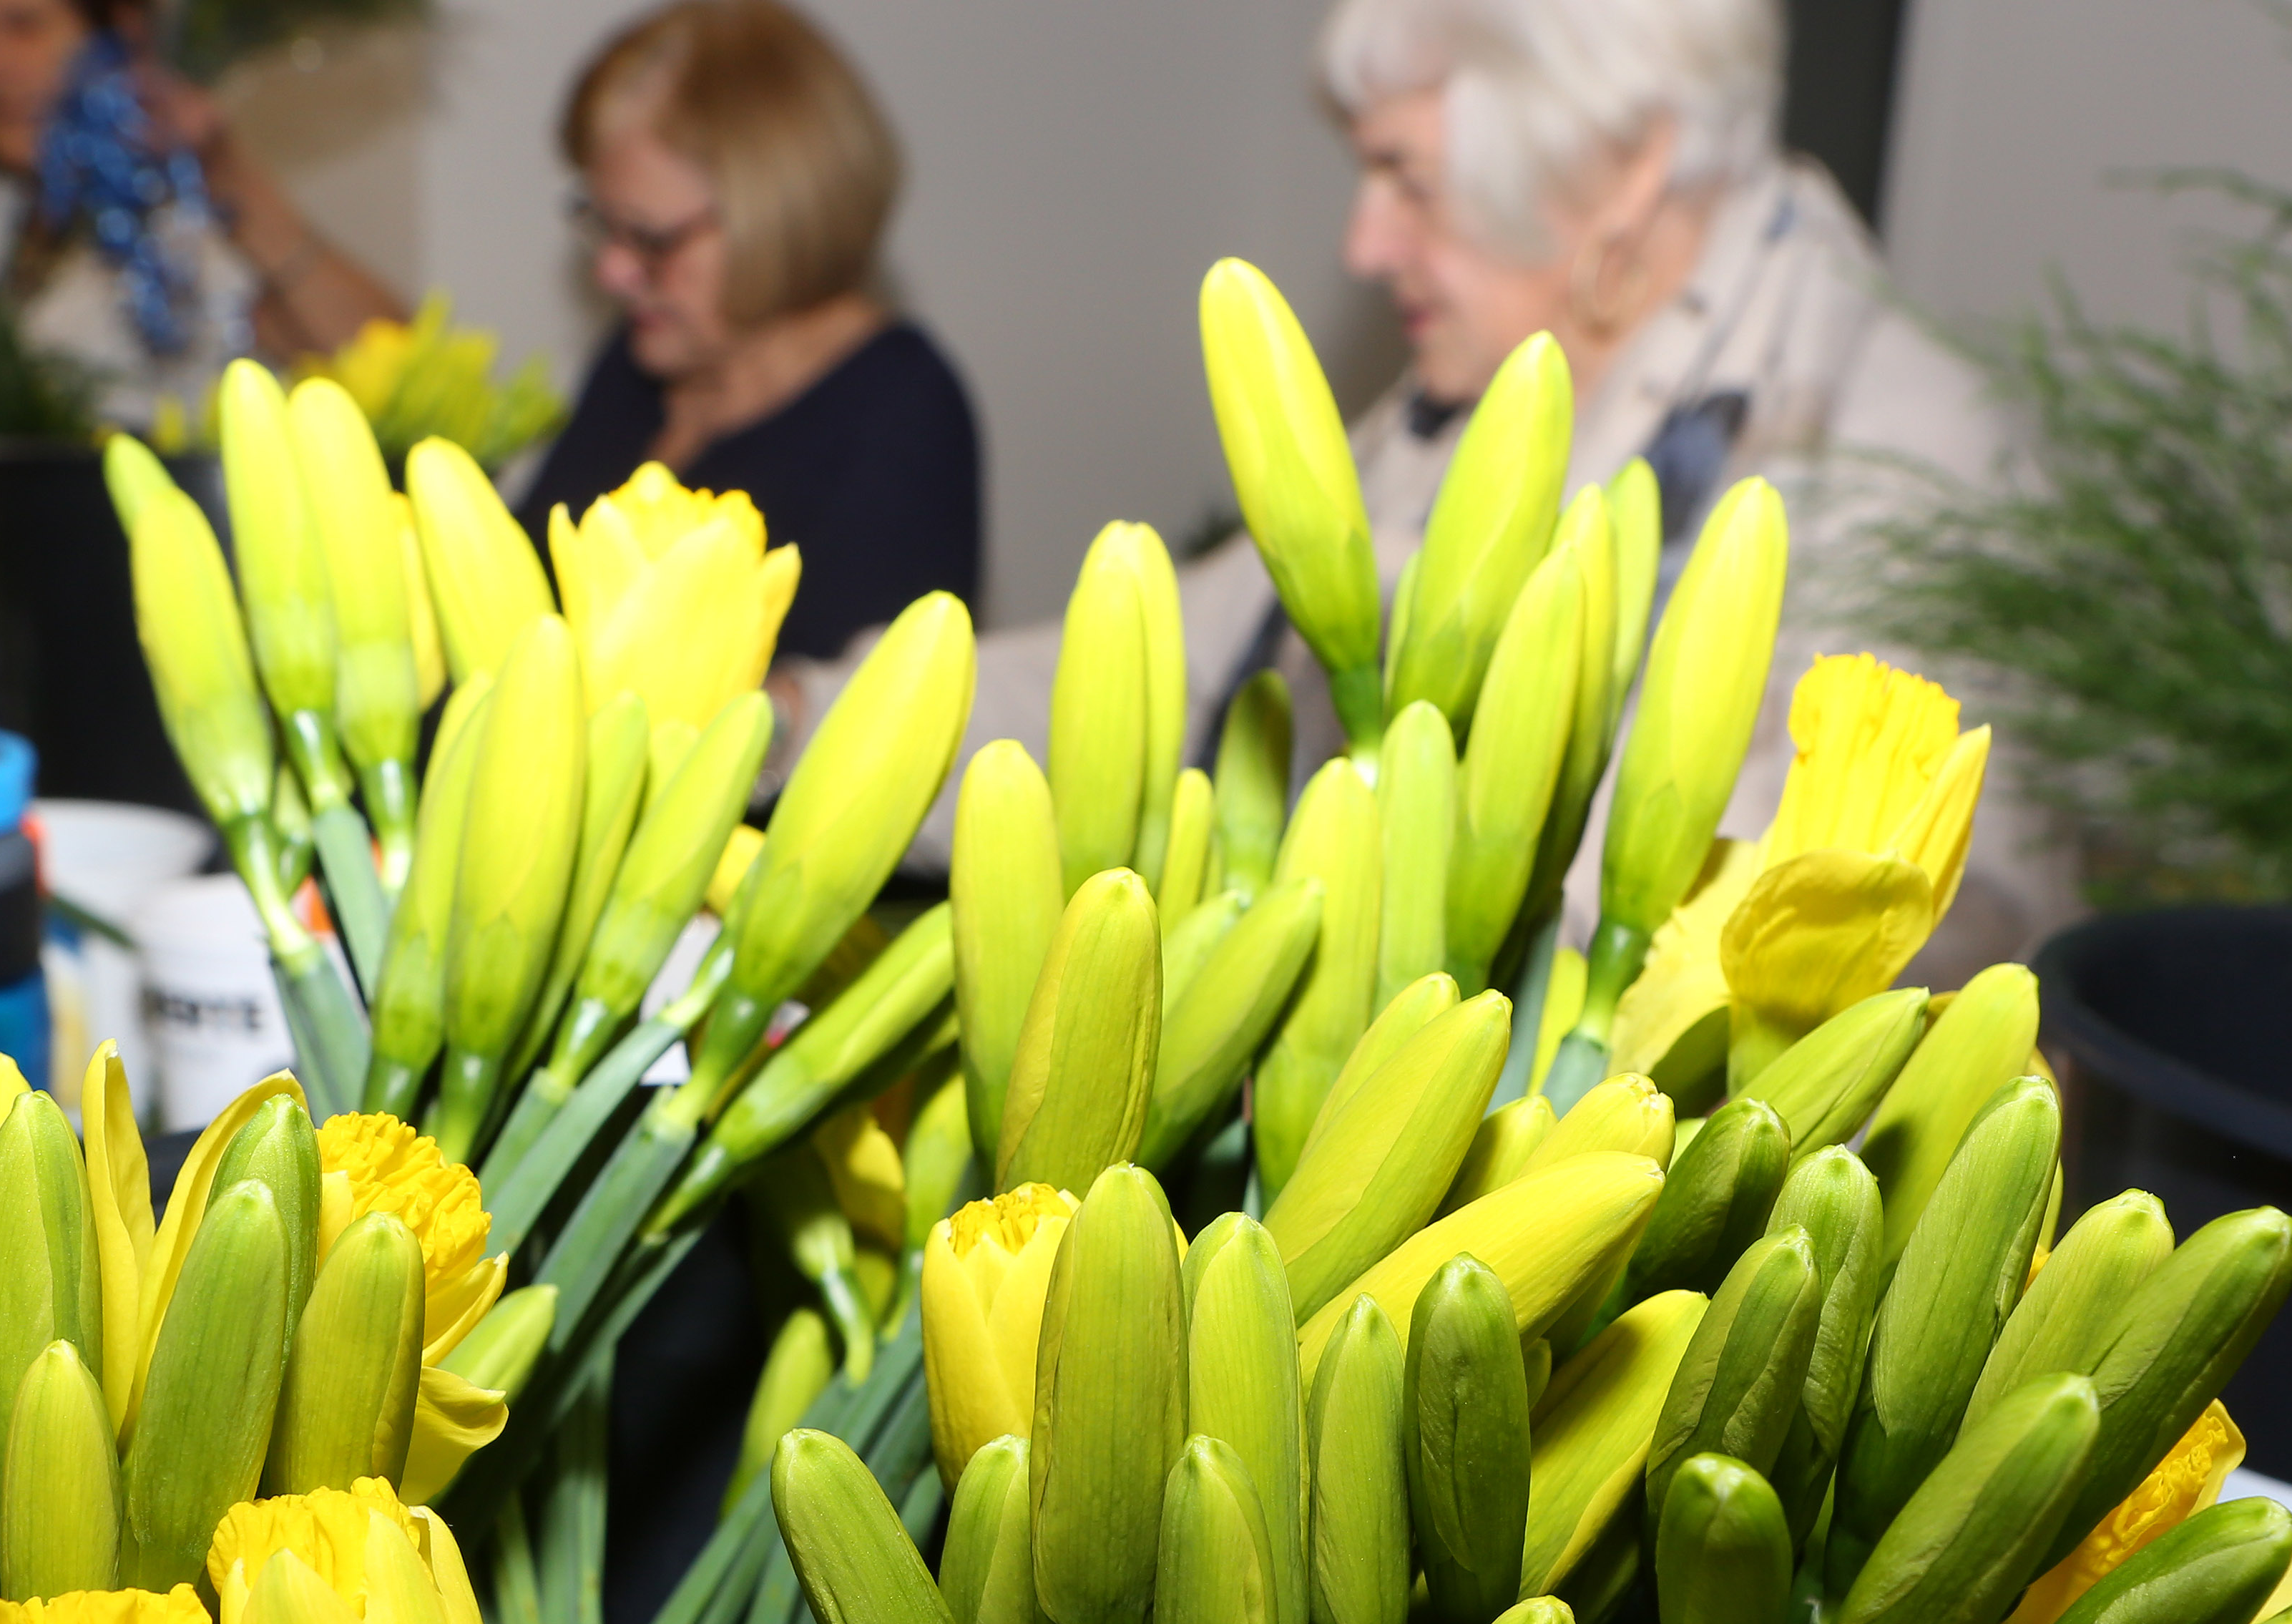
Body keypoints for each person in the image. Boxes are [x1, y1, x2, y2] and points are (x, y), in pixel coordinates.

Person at [793, 0, 2048, 966]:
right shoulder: (1486, 389)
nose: (1362, 243)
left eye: (1406, 175)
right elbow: (1171, 665)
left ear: (1621, 166)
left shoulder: (1902, 445)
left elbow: (1887, 929)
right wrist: (802, 720)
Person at [524, 0, 984, 662]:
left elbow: (863, 721)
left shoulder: (898, 412)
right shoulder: (639, 361)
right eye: (602, 223)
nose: (612, 272)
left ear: (777, 214)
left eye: (650, 237)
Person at [0, 0, 406, 424]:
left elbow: (394, 368)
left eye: (22, 25)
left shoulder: (187, 226)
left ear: (121, 32)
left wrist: (230, 179)